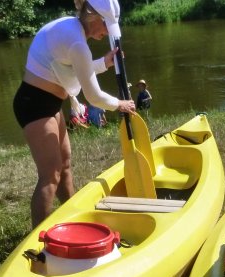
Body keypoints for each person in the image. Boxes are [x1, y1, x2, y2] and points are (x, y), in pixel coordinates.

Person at [12, 0, 137, 228]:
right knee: (50, 175)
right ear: (93, 17)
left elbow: (72, 69)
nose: (107, 31)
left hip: (47, 102)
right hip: (35, 104)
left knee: (65, 164)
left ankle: (72, 214)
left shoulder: (70, 27)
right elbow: (94, 96)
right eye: (106, 25)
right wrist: (120, 104)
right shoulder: (77, 42)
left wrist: (104, 63)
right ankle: (38, 237)